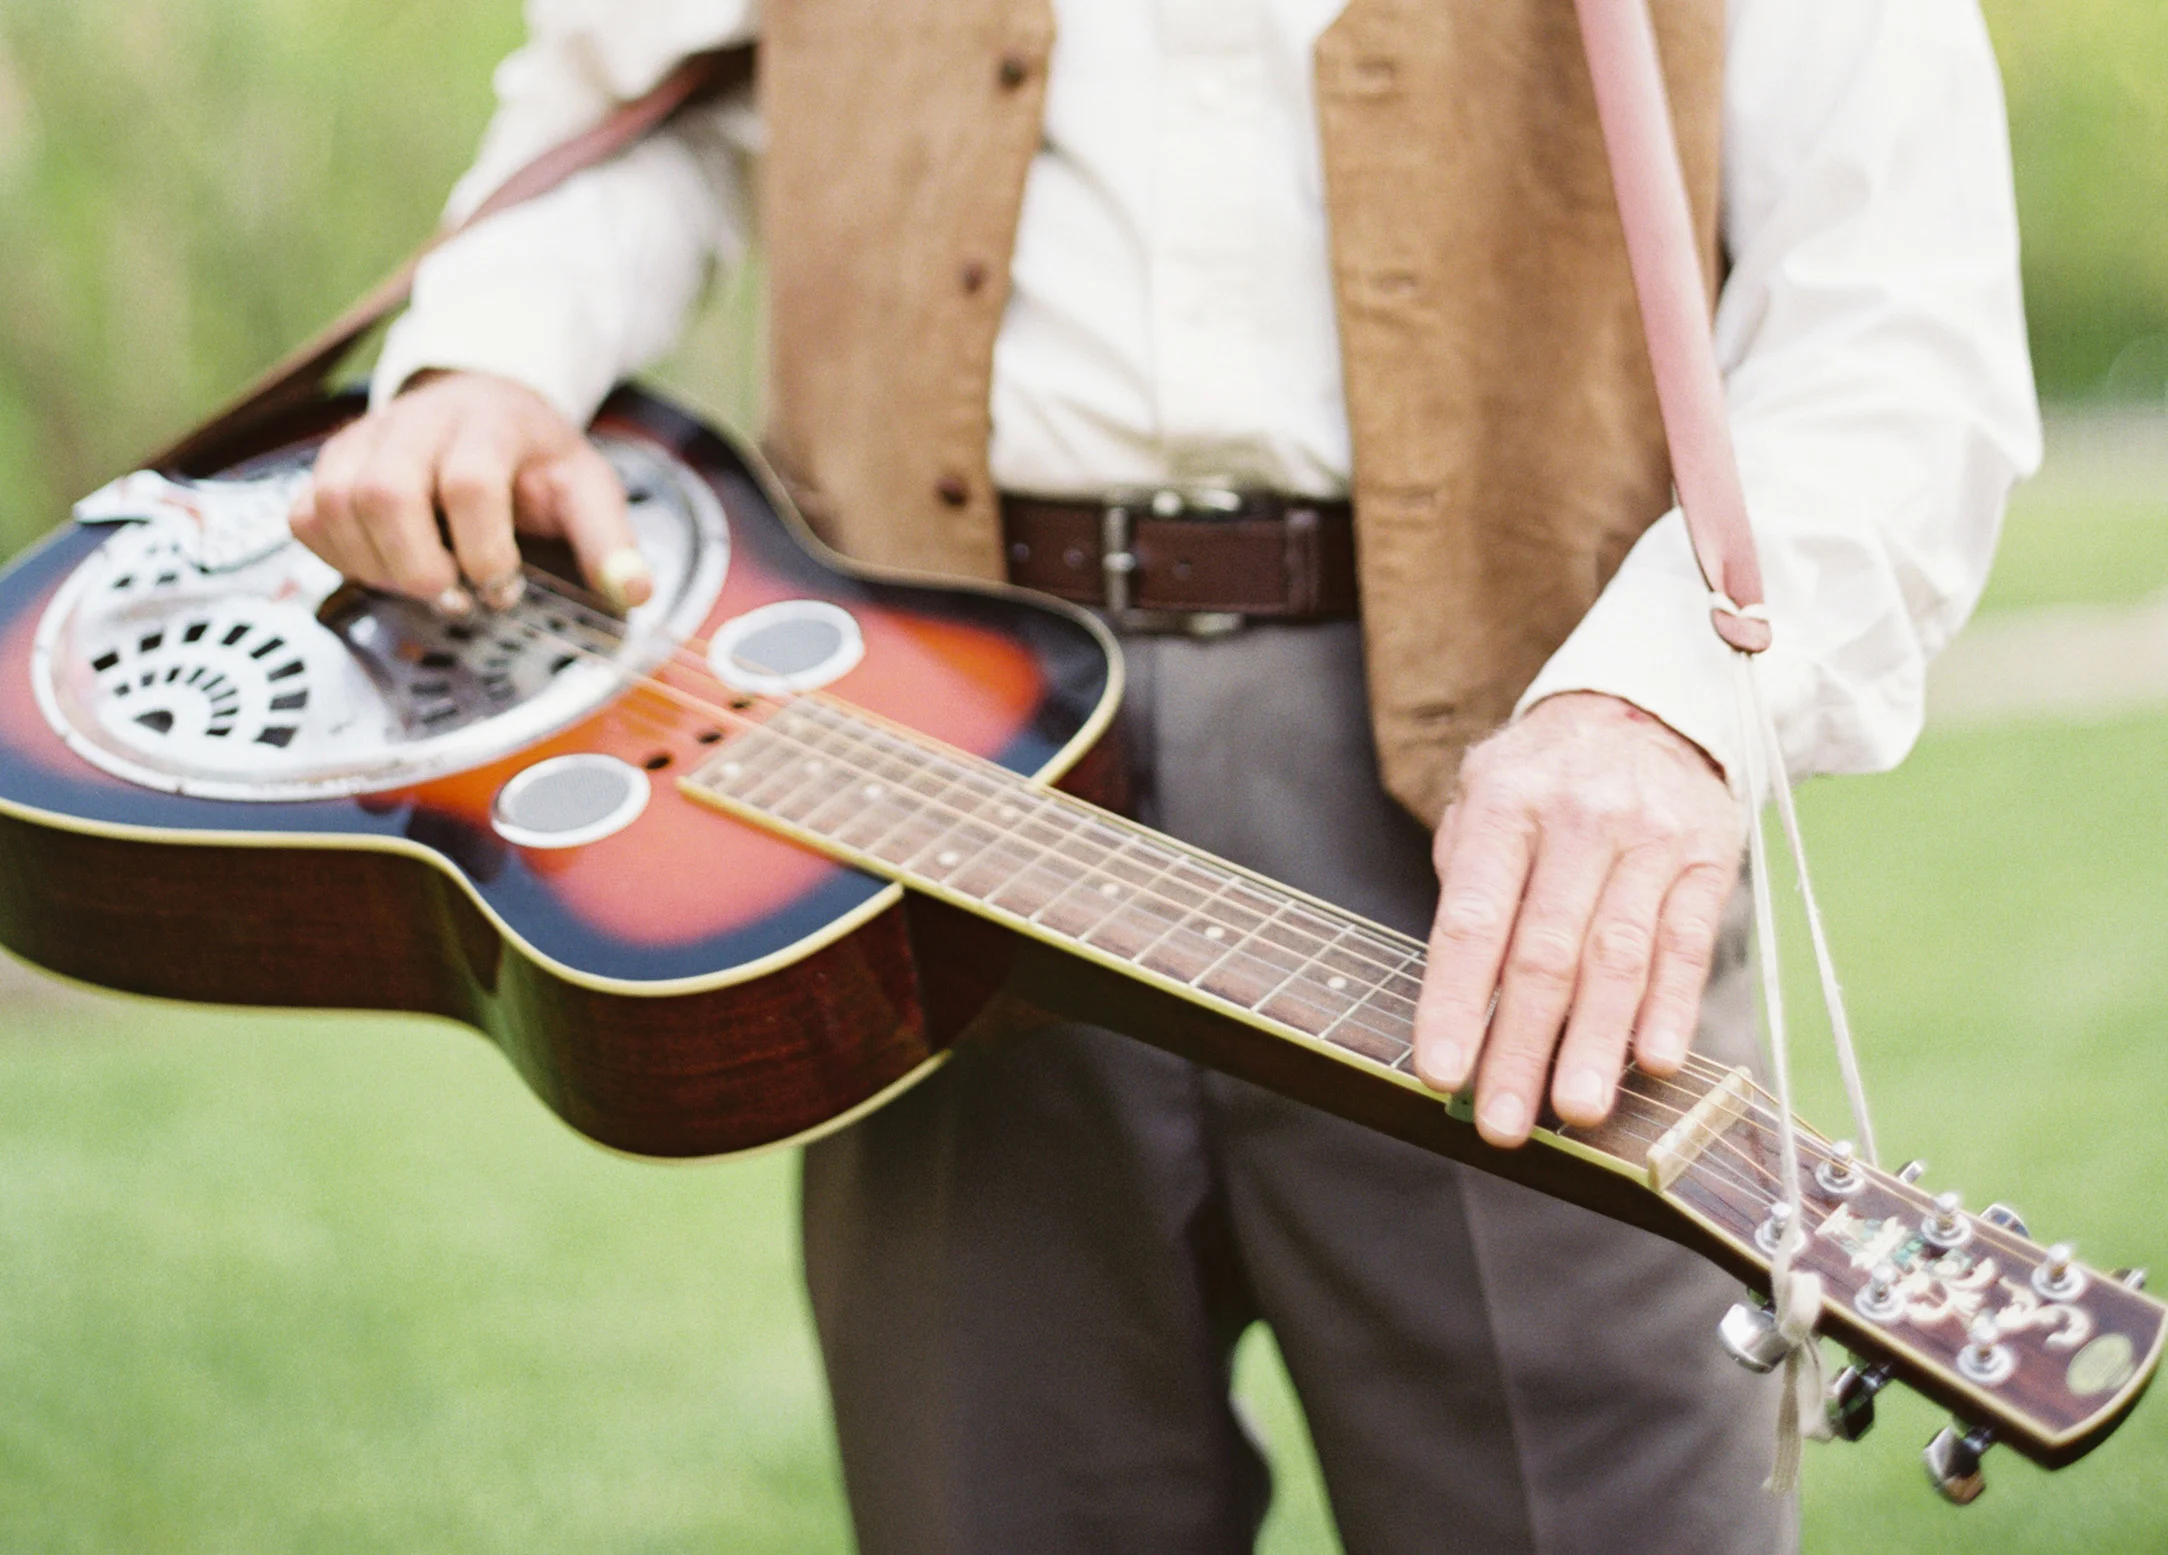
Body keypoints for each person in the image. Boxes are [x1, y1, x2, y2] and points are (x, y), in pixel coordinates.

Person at [292, 2, 2039, 1550]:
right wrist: (488, 364)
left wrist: (1660, 706)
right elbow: (639, 100)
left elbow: (1899, 308)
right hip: (921, 777)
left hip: (1518, 801)